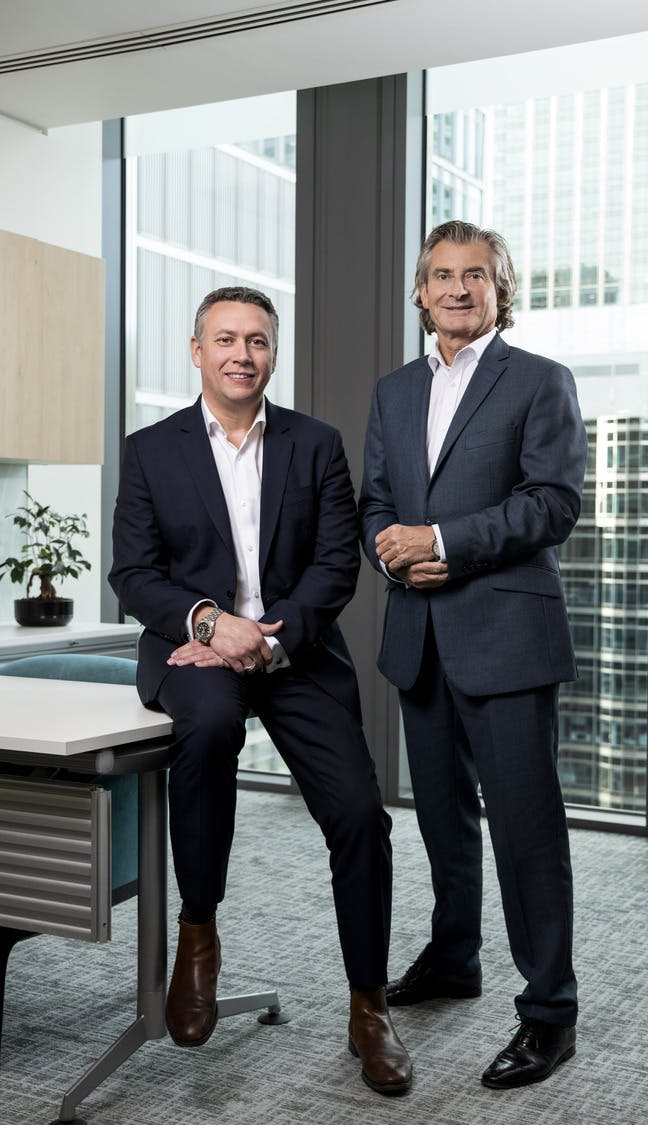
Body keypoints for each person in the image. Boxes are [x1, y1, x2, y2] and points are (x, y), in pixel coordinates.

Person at [109, 286, 411, 1096]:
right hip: (194, 651)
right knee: (205, 734)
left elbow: (335, 564)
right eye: (227, 339)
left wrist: (268, 637)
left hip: (296, 653)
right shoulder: (151, 449)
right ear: (198, 349)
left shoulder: (315, 443)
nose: (243, 353)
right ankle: (198, 929)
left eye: (259, 341)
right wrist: (210, 625)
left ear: (273, 353)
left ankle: (369, 1005)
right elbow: (133, 574)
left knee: (359, 816)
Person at [359, 220, 587, 1090]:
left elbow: (554, 502)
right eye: (442, 276)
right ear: (421, 291)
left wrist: (448, 537)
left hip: (506, 634)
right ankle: (455, 955)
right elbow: (377, 496)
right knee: (443, 817)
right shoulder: (392, 391)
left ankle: (550, 1012)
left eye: (477, 276)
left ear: (501, 290)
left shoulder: (538, 380)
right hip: (418, 631)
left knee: (527, 830)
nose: (458, 289)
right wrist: (389, 540)